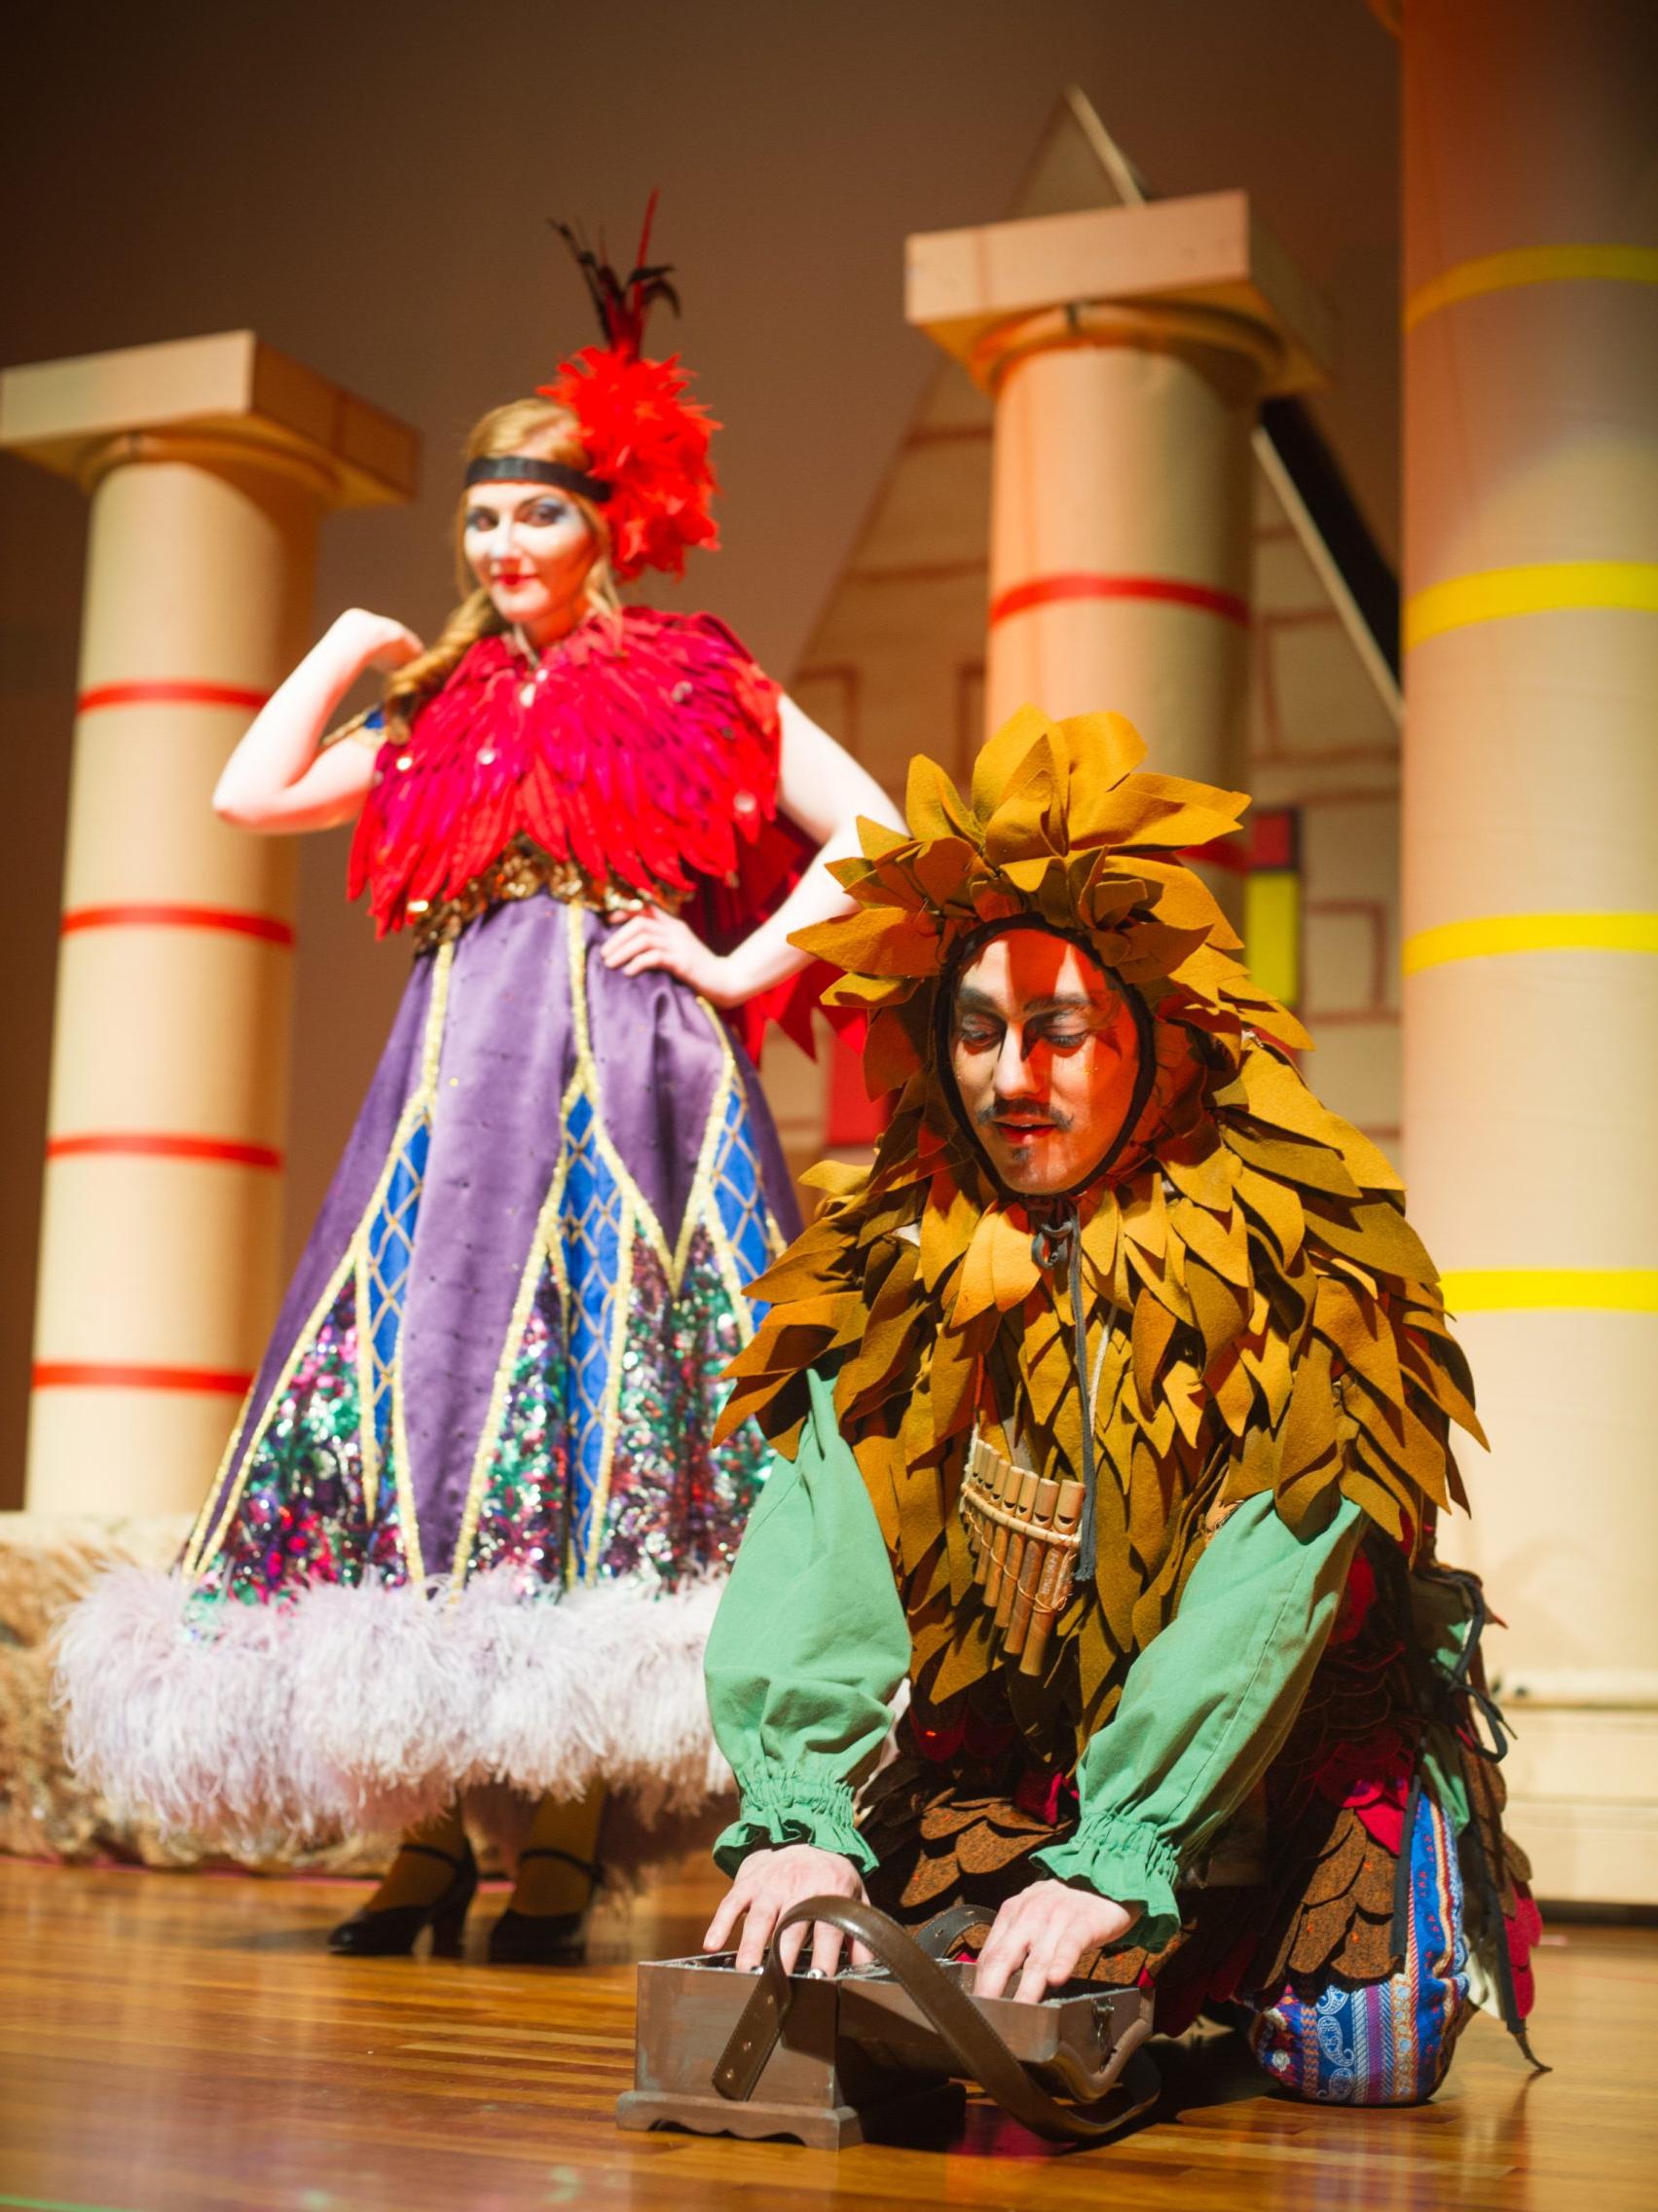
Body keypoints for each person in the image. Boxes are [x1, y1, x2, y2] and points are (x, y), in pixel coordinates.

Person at [60, 213, 900, 1964]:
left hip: (625, 1095)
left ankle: (566, 1840)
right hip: (451, 1106)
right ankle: (434, 1836)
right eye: (487, 517)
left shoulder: (694, 675)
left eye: (543, 512)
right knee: (427, 1422)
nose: (509, 544)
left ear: (614, 527)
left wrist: (746, 970)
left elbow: (879, 831)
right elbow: (245, 791)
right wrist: (357, 643)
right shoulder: (438, 707)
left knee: (600, 1431)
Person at [701, 705, 1543, 2105]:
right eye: (974, 1033)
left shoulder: (1306, 1266)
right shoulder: (896, 1262)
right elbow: (817, 1540)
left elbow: (1259, 1601)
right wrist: (799, 1809)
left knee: (1355, 2053)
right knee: (870, 1996)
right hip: (1032, 1751)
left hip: (1273, 1754)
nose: (1010, 1079)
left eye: (1058, 1030)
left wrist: (1129, 1846)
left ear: (1151, 1037)